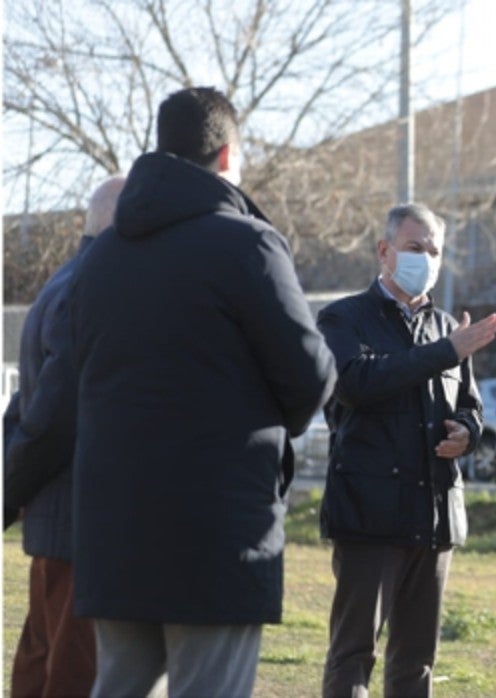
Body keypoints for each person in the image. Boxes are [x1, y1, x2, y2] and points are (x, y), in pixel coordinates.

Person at [62, 86, 337, 696]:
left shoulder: (101, 258)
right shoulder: (247, 244)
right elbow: (311, 376)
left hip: (115, 528)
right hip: (216, 530)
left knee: (119, 685)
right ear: (227, 154)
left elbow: (82, 371)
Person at [318, 203, 496, 697]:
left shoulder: (447, 327)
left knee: (416, 660)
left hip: (433, 513)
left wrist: (467, 432)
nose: (426, 259)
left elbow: (471, 406)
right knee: (353, 655)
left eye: (434, 251)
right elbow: (355, 384)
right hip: (368, 514)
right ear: (384, 251)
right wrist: (447, 351)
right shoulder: (343, 318)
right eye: (414, 247)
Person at [2, 175, 125, 697]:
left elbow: (25, 407)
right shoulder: (97, 290)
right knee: (72, 675)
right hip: (82, 523)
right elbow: (54, 415)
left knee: (41, 666)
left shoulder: (62, 282)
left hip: (55, 520)